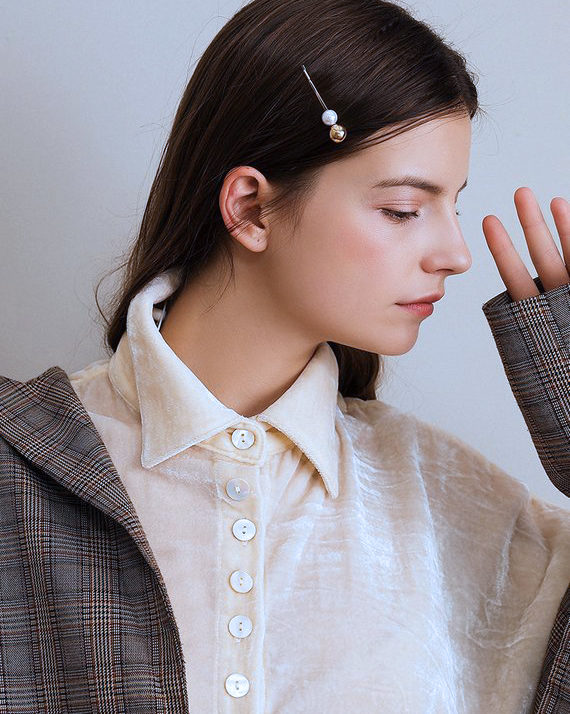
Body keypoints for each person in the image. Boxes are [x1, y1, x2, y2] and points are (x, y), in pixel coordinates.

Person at [0, 0, 568, 712]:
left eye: (453, 204)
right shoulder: (22, 465)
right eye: (403, 210)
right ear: (250, 208)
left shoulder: (459, 510)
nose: (455, 254)